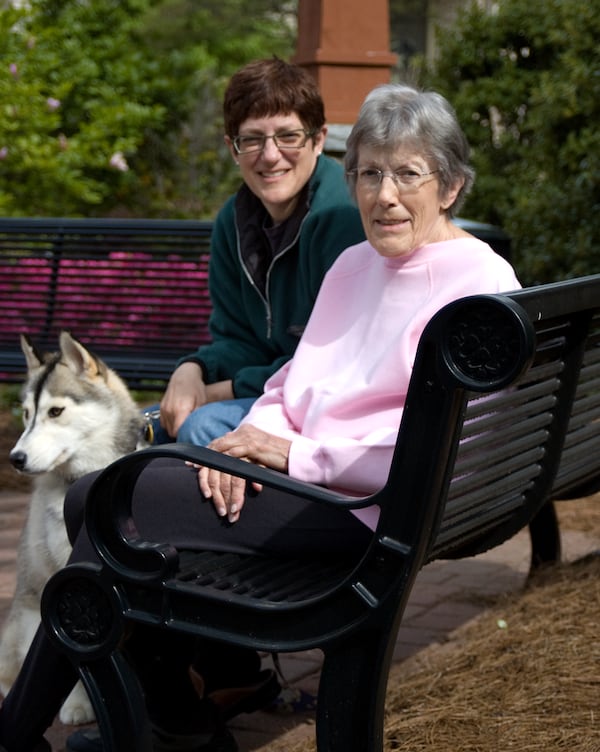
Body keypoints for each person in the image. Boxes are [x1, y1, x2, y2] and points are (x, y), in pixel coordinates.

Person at [0, 82, 521, 752]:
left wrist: (293, 458)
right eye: (367, 173)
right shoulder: (356, 265)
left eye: (407, 174)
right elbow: (295, 381)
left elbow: (454, 447)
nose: (384, 195)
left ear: (449, 186)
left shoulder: (475, 286)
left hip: (370, 507)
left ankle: (67, 728)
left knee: (107, 502)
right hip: (314, 485)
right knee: (106, 514)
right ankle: (166, 721)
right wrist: (253, 437)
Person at [149, 56, 365, 446]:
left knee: (201, 427)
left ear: (319, 140)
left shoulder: (342, 217)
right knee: (147, 426)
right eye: (252, 139)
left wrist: (220, 391)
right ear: (233, 148)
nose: (269, 155)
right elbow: (237, 339)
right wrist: (193, 370)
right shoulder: (233, 221)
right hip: (274, 393)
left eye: (288, 136)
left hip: (335, 409)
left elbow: (333, 361)